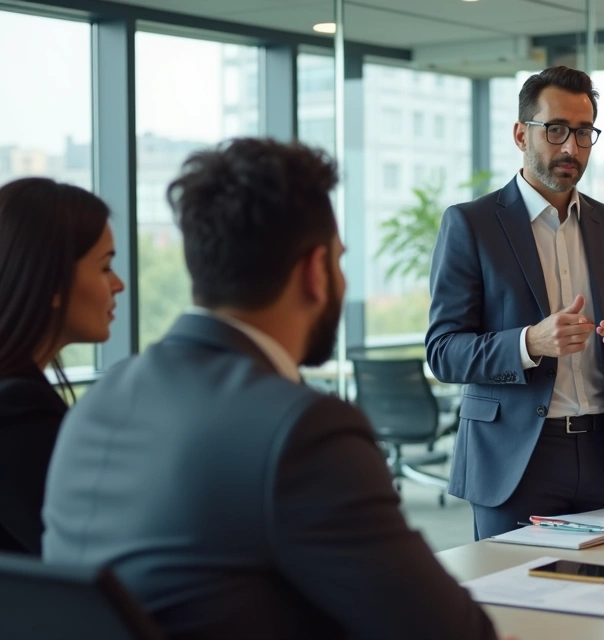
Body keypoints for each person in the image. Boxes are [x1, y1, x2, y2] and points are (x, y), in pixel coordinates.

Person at [42, 139, 497, 640]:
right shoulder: (303, 429)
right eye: (340, 261)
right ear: (314, 272)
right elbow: (448, 631)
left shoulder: (102, 400)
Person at [427, 65, 604, 540]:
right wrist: (528, 343)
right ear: (521, 134)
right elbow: (443, 351)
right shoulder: (471, 225)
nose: (570, 148)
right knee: (515, 606)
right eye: (555, 130)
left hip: (603, 454)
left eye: (583, 133)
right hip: (514, 458)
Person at [0, 178, 125, 556]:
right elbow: (85, 554)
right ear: (53, 282)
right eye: (105, 267)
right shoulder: (19, 414)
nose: (118, 285)